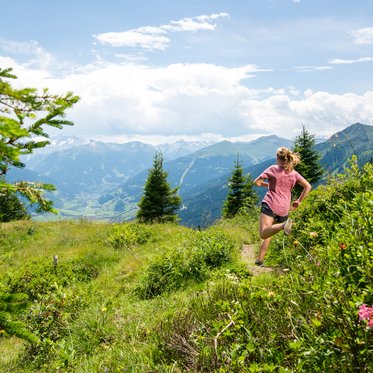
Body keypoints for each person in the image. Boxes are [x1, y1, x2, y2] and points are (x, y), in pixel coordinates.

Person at [253, 147, 312, 266]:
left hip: (270, 204)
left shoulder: (273, 169)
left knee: (263, 233)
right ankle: (260, 260)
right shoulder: (294, 173)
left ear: (277, 158)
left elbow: (257, 182)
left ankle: (284, 225)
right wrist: (299, 201)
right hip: (284, 209)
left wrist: (268, 185)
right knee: (269, 232)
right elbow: (308, 186)